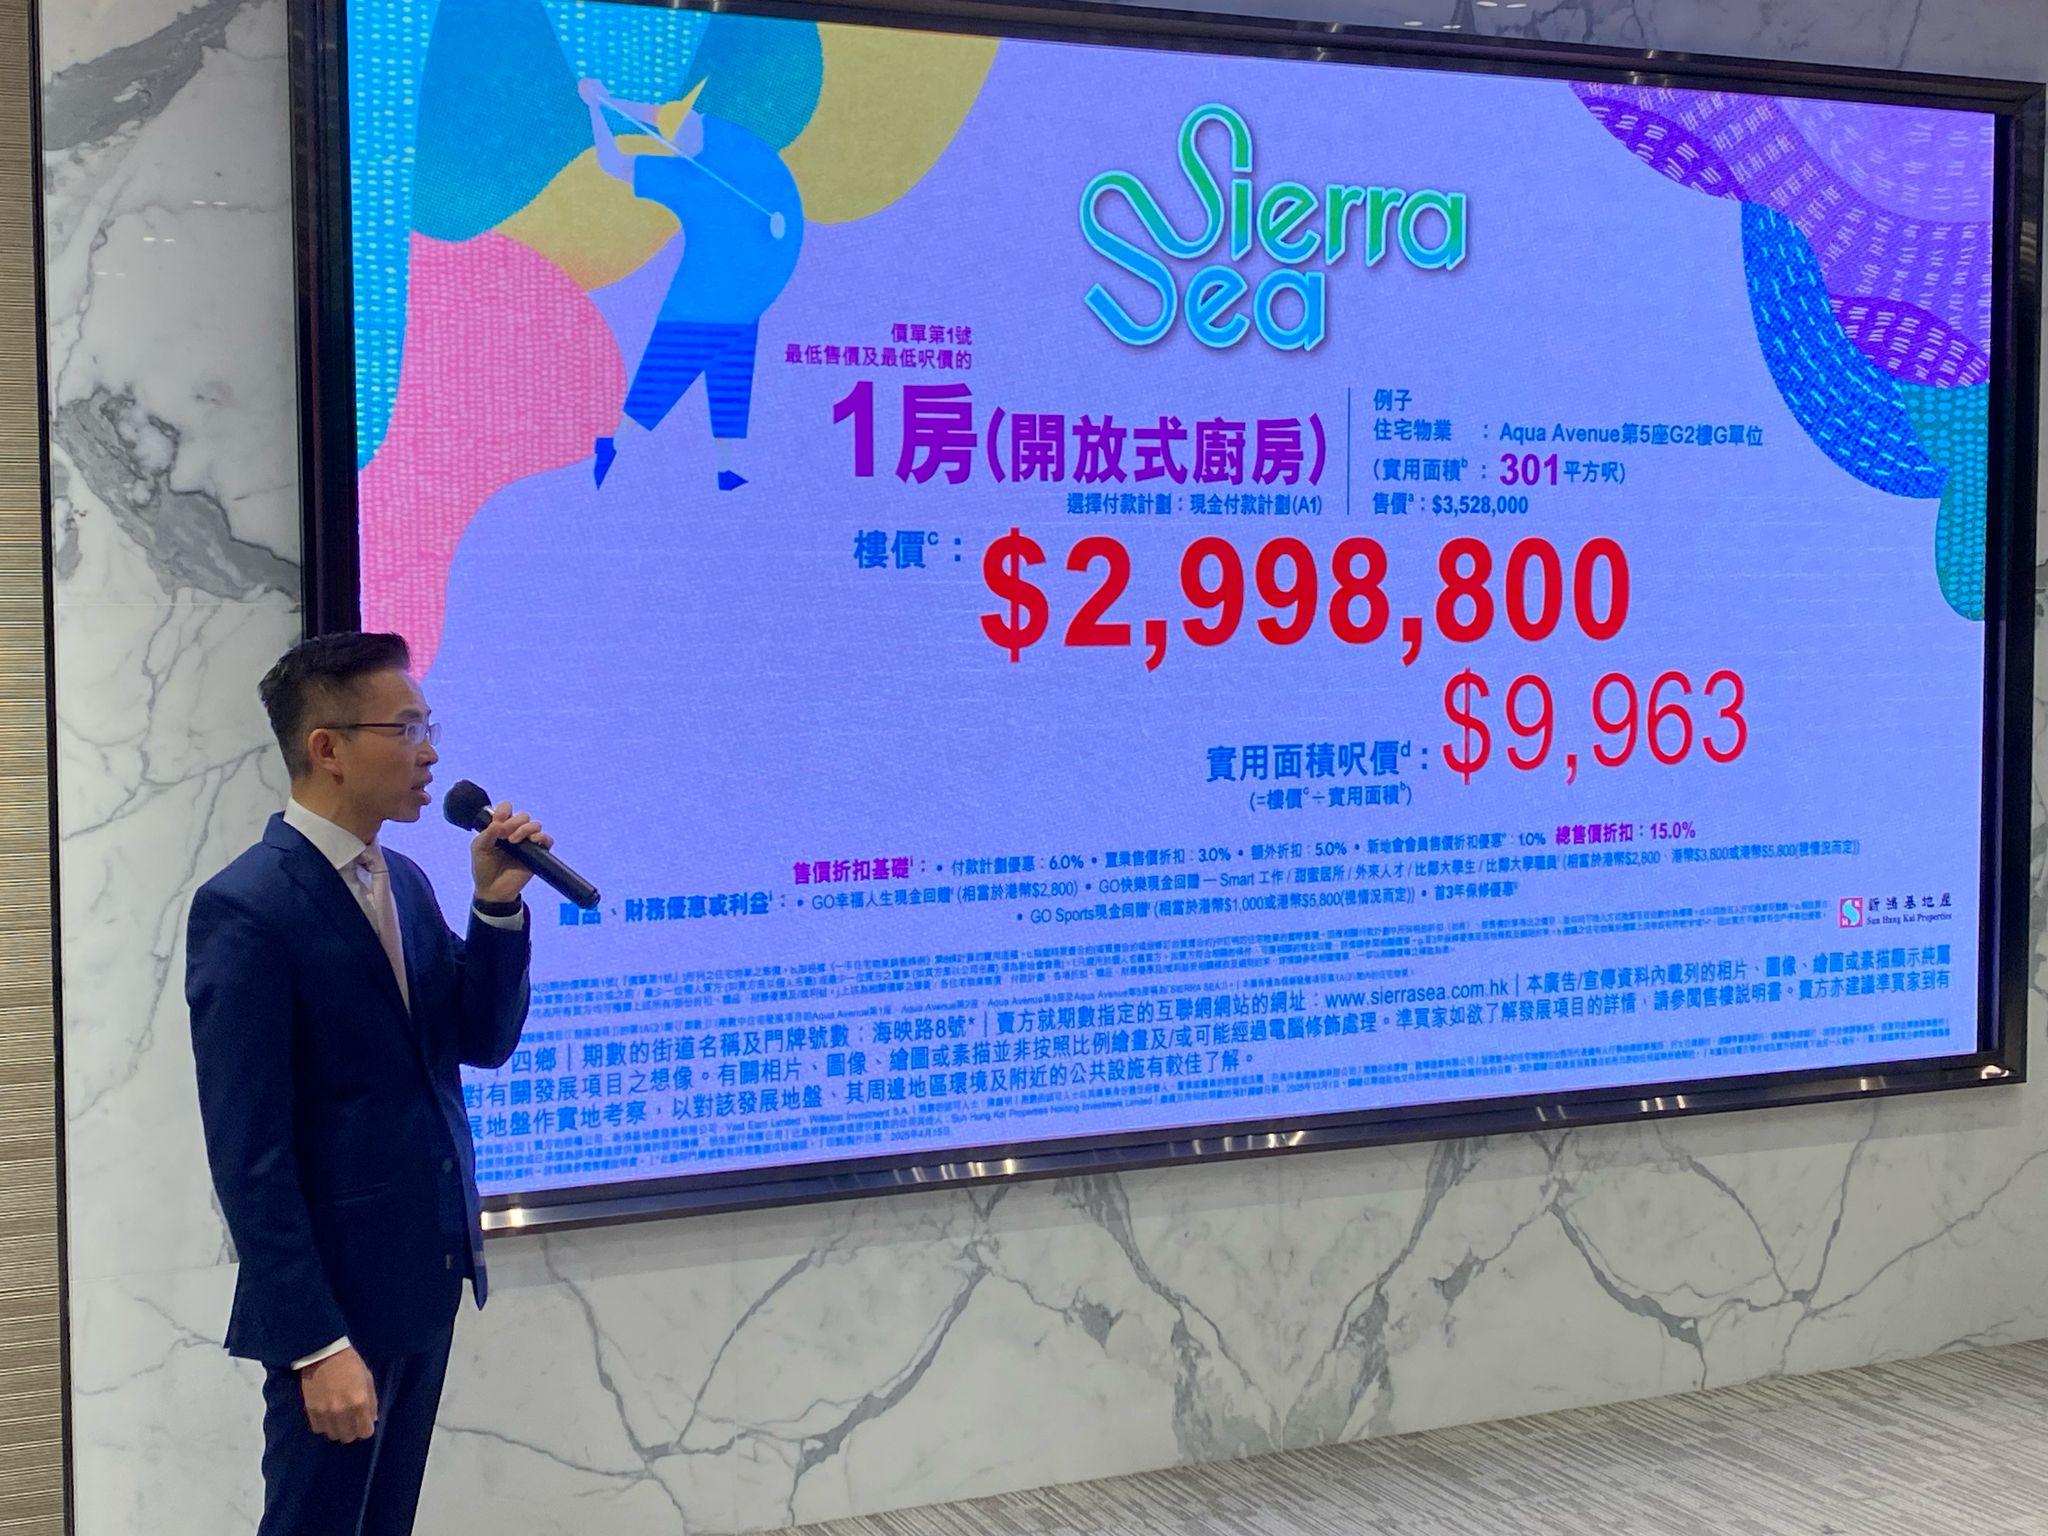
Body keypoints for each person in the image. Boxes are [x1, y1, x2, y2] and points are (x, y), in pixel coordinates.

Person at [186, 631, 551, 1535]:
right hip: (334, 1309)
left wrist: (497, 905)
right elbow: (250, 1154)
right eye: (407, 728)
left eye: (430, 727)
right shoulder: (247, 908)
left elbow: (479, 1040)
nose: (430, 753)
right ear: (328, 749)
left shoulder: (409, 884)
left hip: (421, 1279)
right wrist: (315, 1344)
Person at [579, 74, 805, 492]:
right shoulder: (681, 176)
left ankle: (725, 471)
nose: (690, 125)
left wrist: (613, 101)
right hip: (698, 301)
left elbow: (662, 116)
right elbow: (613, 163)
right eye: (681, 131)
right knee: (659, 381)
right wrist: (596, 108)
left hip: (743, 299)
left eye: (690, 119)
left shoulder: (721, 137)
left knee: (731, 383)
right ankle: (612, 445)